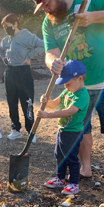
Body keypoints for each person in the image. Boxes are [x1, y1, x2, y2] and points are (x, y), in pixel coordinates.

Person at [31, 0, 104, 192]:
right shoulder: (49, 22)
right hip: (78, 86)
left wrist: (92, 17)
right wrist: (53, 62)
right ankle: (85, 168)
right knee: (81, 128)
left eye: (47, 3)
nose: (46, 10)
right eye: (42, 7)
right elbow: (50, 52)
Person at [38, 60, 89, 195]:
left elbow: (69, 111)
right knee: (59, 155)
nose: (66, 87)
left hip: (73, 132)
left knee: (71, 157)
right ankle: (60, 179)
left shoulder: (82, 96)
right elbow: (55, 103)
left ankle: (74, 184)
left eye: (68, 84)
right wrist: (46, 101)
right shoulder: (68, 91)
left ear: (79, 79)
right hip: (62, 129)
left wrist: (47, 115)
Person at [0, 13, 44, 142]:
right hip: (10, 72)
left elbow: (42, 44)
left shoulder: (26, 35)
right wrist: (4, 57)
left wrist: (29, 56)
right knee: (12, 102)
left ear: (15, 24)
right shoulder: (6, 40)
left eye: (8, 26)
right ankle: (16, 130)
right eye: (4, 27)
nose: (6, 29)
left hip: (23, 72)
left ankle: (31, 132)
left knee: (27, 102)